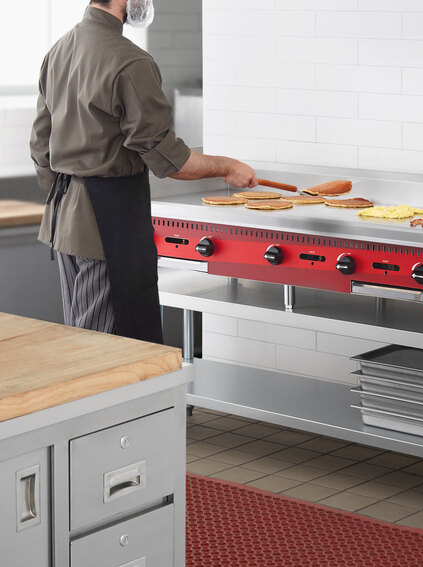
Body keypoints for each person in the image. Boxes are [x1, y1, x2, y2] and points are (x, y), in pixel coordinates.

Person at [30, 0, 256, 344]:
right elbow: (167, 157)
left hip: (63, 224)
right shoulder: (131, 60)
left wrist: (71, 202)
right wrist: (227, 166)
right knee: (109, 349)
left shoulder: (57, 51)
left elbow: (39, 147)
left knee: (81, 339)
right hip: (107, 225)